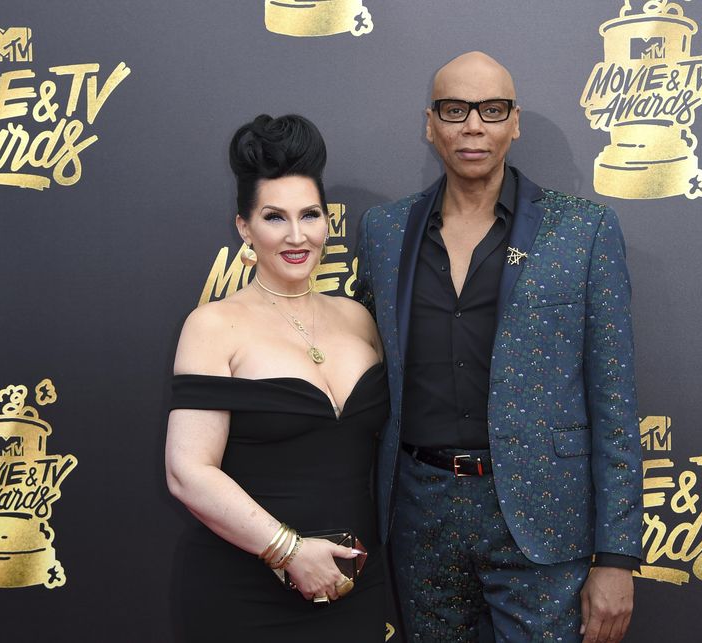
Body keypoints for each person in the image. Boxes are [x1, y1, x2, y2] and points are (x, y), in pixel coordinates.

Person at [354, 52, 643, 642]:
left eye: (492, 109)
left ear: (516, 122)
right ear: (430, 123)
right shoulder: (384, 232)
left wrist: (616, 555)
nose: (473, 126)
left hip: (542, 515)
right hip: (418, 510)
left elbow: (615, 404)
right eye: (455, 109)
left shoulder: (583, 230)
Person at [165, 113, 387, 642]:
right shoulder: (213, 325)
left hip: (355, 586)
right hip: (245, 590)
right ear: (244, 227)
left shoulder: (359, 318)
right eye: (274, 217)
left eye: (309, 215)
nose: (296, 235)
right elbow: (187, 471)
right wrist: (288, 550)